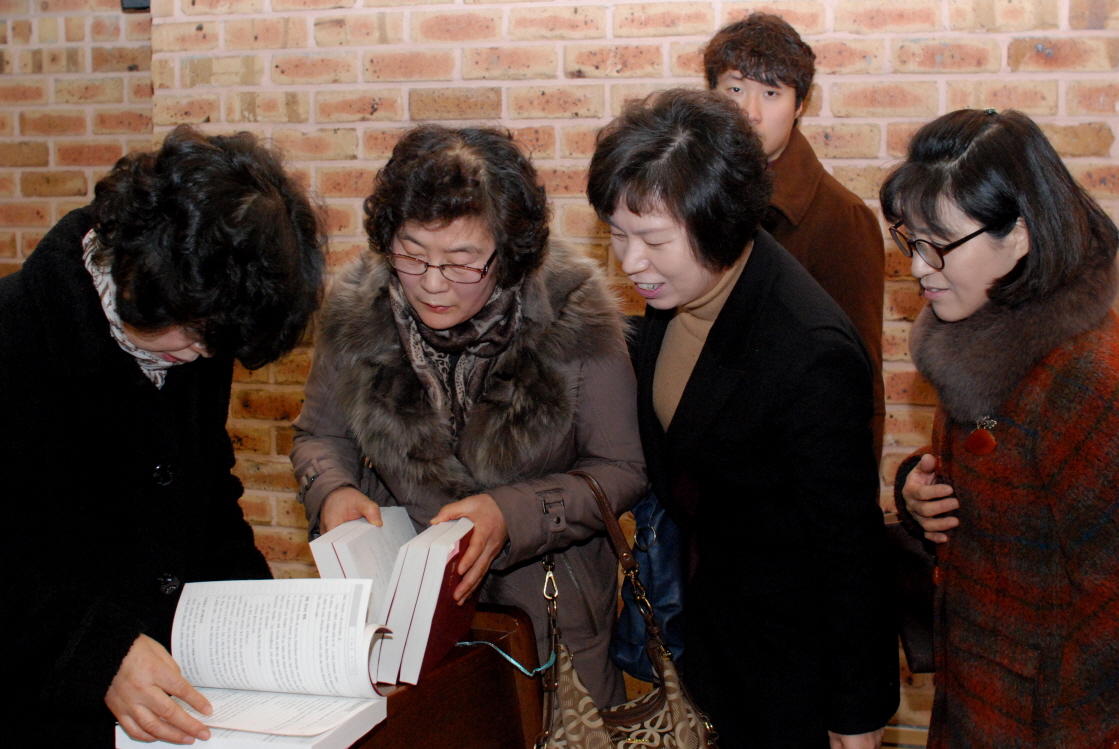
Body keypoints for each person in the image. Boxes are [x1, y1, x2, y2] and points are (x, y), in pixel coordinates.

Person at [290, 124, 645, 708]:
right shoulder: (360, 310)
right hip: (407, 625)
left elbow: (623, 468)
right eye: (411, 254)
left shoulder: (574, 314)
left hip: (551, 628)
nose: (432, 284)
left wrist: (513, 512)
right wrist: (333, 491)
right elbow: (319, 437)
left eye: (462, 262)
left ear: (508, 254)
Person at [587, 88, 898, 749]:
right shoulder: (679, 294)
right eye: (616, 234)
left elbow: (849, 550)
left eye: (652, 240)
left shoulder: (808, 350)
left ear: (719, 222)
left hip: (788, 666)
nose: (630, 262)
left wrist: (856, 717)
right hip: (712, 632)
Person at [0, 125, 326, 747]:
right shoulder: (16, 340)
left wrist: (261, 623)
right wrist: (95, 651)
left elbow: (206, 506)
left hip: (165, 708)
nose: (203, 354)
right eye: (195, 332)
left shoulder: (194, 331)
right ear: (144, 269)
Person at [887, 109, 1119, 748]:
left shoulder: (1085, 378)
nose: (918, 267)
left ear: (1018, 233)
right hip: (975, 699)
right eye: (910, 241)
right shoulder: (979, 333)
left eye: (937, 245)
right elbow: (1011, 480)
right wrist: (918, 493)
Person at [705, 13, 886, 457]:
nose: (750, 112)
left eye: (771, 93)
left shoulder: (841, 218)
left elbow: (858, 379)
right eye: (735, 89)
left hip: (784, 462)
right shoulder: (694, 199)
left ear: (800, 104)